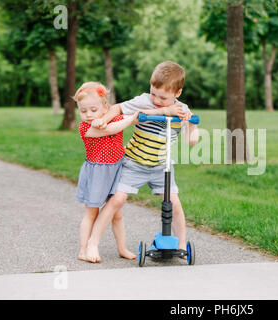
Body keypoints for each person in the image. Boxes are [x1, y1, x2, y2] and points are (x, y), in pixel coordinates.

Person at [87, 61, 199, 263]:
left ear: (178, 93)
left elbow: (191, 138)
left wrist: (192, 127)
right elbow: (118, 108)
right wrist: (105, 119)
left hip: (161, 167)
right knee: (117, 200)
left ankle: (181, 245)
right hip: (134, 163)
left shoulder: (182, 110)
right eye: (153, 93)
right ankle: (92, 243)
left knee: (174, 203)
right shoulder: (144, 101)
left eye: (163, 97)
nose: (156, 100)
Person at [74, 81, 139, 263]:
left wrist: (131, 117)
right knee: (91, 212)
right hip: (97, 173)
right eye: (83, 110)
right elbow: (111, 130)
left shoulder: (115, 118)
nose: (88, 115)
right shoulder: (85, 128)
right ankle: (83, 249)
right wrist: (126, 120)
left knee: (116, 213)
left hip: (116, 170)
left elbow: (125, 119)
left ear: (105, 106)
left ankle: (122, 248)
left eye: (93, 110)